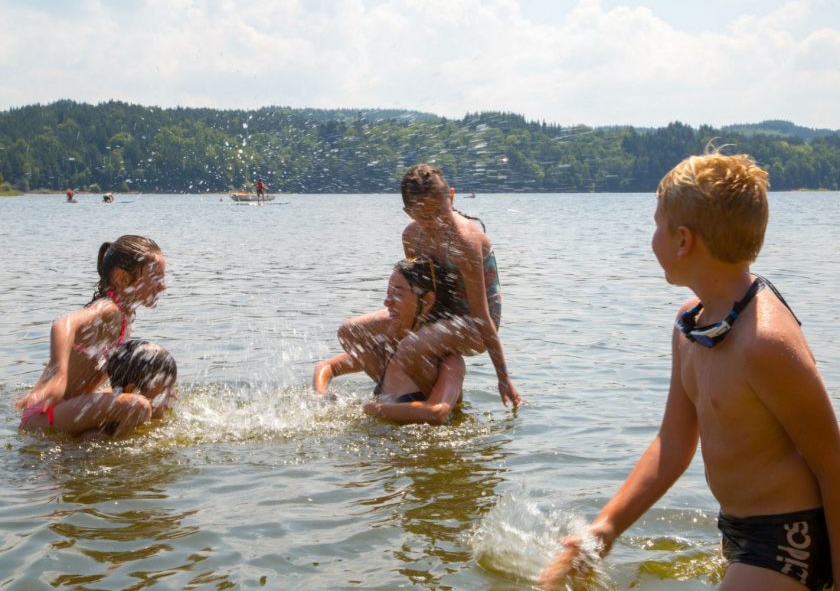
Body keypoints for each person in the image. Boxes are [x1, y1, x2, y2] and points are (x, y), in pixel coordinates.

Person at [539, 151, 839, 590]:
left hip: (790, 536)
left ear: (683, 240)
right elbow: (673, 443)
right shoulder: (692, 326)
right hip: (736, 529)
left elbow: (832, 464)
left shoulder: (764, 342)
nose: (651, 238)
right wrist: (605, 528)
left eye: (656, 224)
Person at [338, 164, 521, 408]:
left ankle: (443, 404)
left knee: (412, 345)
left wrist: (503, 376)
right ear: (408, 212)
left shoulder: (466, 242)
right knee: (350, 331)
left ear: (452, 196)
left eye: (441, 212)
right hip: (433, 311)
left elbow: (482, 315)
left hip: (473, 324)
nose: (436, 222)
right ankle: (394, 393)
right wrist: (397, 327)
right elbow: (417, 292)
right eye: (424, 216)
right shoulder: (412, 237)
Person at [17, 235, 168, 437]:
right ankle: (102, 454)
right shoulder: (109, 309)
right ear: (122, 278)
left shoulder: (124, 315)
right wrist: (58, 376)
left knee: (150, 396)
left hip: (69, 407)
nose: (163, 285)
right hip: (45, 412)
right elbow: (63, 324)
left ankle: (84, 444)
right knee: (137, 406)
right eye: (156, 277)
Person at [314, 257, 466, 425]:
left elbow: (438, 412)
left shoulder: (449, 360)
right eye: (388, 293)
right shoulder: (388, 348)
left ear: (428, 300)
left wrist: (368, 409)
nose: (387, 302)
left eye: (398, 294)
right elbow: (328, 367)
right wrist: (321, 396)